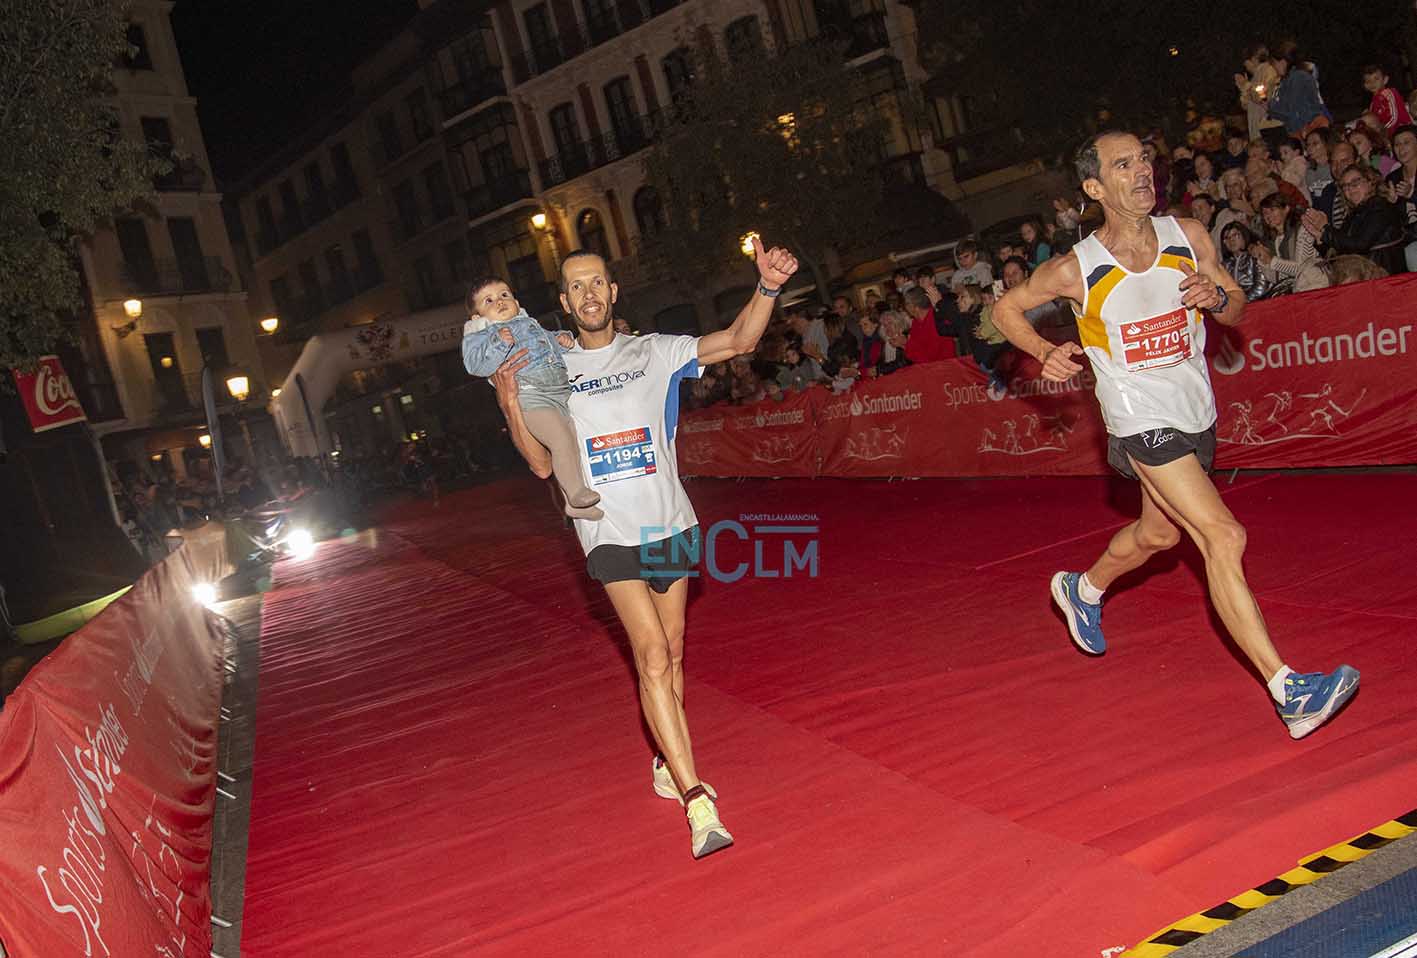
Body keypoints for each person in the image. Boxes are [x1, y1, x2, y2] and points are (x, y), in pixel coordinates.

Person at [992, 130, 1359, 740]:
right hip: (1137, 416)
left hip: (1194, 410)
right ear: (1094, 187)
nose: (1142, 170)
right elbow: (1004, 309)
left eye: (1144, 159)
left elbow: (1236, 305)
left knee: (1159, 534)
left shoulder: (1187, 235)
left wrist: (1218, 298)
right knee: (1223, 535)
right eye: (1124, 164)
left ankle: (1083, 589)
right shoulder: (1074, 267)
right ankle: (1290, 690)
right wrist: (1042, 350)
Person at [490, 241, 798, 858]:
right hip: (607, 533)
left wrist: (766, 286)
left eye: (596, 282)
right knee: (652, 655)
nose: (589, 294)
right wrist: (509, 403)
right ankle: (696, 798)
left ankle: (664, 758)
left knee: (674, 650)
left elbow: (738, 341)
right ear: (564, 300)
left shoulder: (654, 351)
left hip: (667, 526)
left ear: (613, 291)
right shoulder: (550, 369)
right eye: (576, 286)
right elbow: (542, 465)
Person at [461, 277, 600, 519]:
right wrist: (498, 342)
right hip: (531, 395)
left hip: (559, 394)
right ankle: (576, 492)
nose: (499, 302)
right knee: (560, 440)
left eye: (504, 295)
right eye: (489, 300)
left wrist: (562, 340)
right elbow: (475, 365)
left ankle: (573, 503)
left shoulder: (528, 323)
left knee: (571, 444)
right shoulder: (481, 334)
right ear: (477, 317)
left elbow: (546, 343)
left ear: (516, 301)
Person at [1304, 164, 1408, 274]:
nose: (1350, 188)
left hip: (1383, 276)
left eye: (1355, 182)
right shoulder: (1354, 214)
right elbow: (1339, 254)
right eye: (1345, 186)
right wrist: (1320, 238)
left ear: (1370, 182)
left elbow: (1359, 245)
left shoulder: (1381, 207)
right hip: (1362, 275)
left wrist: (1326, 230)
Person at [1362, 64, 1413, 133]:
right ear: (1365, 85)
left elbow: (1394, 117)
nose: (1372, 83)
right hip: (1388, 133)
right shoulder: (1373, 102)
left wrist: (1382, 131)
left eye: (1376, 79)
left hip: (1403, 130)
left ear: (1385, 80)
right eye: (1368, 81)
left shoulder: (1388, 93)